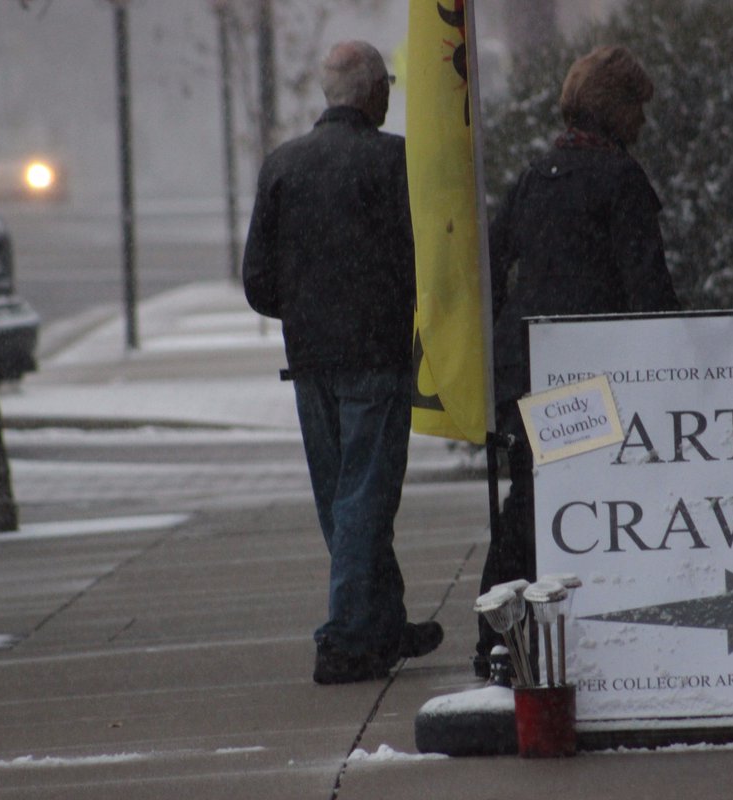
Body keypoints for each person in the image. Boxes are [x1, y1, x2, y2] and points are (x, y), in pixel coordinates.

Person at [476, 45, 681, 676]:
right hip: (588, 371)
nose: (644, 124)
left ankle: (502, 631)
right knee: (576, 506)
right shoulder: (621, 182)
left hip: (527, 362)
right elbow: (649, 294)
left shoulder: (536, 176)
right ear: (616, 111)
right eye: (638, 109)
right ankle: (511, 634)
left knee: (533, 496)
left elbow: (489, 263)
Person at [242, 40, 443, 685]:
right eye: (386, 81)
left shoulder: (282, 165)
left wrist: (309, 312)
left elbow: (257, 282)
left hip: (310, 361)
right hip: (376, 356)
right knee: (364, 496)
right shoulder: (395, 163)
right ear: (372, 92)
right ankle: (346, 638)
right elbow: (425, 261)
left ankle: (382, 621)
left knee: (343, 499)